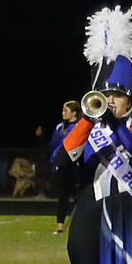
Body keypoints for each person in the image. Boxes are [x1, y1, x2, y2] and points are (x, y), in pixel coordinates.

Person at [57, 7, 132, 264]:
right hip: (91, 218)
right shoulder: (92, 128)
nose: (111, 100)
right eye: (106, 93)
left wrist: (115, 125)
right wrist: (89, 120)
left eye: (118, 94)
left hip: (129, 220)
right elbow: (62, 159)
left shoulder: (128, 128)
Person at [51, 100, 83, 234]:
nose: (63, 113)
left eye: (66, 111)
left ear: (74, 113)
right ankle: (60, 224)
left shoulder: (80, 126)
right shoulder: (60, 127)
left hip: (75, 163)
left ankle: (79, 222)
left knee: (78, 194)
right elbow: (53, 143)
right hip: (62, 163)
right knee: (62, 195)